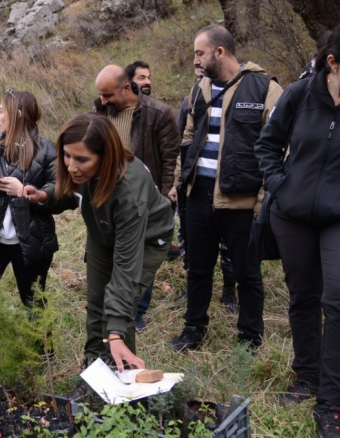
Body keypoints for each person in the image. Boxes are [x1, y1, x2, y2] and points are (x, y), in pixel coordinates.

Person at [24, 113, 173, 369]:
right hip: (102, 232)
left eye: (82, 159)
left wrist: (114, 333)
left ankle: (121, 373)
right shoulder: (82, 171)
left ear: (105, 156)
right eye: (67, 156)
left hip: (146, 239)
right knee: (97, 301)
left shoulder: (129, 191)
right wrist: (44, 196)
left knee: (121, 306)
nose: (71, 167)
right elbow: (72, 194)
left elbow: (125, 268)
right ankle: (95, 367)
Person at [169, 24, 282, 352]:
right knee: (198, 270)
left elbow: (280, 148)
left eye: (199, 53)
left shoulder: (265, 89)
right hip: (198, 199)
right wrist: (180, 182)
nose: (195, 60)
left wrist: (263, 198)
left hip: (242, 204)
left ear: (220, 52)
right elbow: (188, 138)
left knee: (248, 274)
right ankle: (193, 331)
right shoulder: (198, 90)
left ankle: (249, 339)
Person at [254, 25, 340, 435]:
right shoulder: (299, 94)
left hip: (337, 217)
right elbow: (266, 144)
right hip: (291, 214)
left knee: (336, 299)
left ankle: (332, 400)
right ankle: (307, 376)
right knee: (303, 296)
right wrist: (280, 186)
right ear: (333, 62)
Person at [94, 64, 180, 332]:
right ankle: (113, 307)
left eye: (108, 95)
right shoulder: (101, 111)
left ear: (126, 88)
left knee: (141, 256)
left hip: (146, 200)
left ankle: (136, 311)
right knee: (116, 252)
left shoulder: (158, 113)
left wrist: (165, 199)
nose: (102, 100)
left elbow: (171, 156)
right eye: (101, 95)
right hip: (110, 197)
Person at [0, 90, 58, 312]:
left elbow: (62, 194)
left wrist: (26, 192)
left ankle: (39, 339)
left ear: (17, 114)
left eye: (1, 112)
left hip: (32, 243)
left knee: (34, 309)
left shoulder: (47, 151)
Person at [172, 65, 237, 314]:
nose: (199, 70)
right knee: (189, 242)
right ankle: (194, 290)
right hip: (194, 187)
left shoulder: (233, 96)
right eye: (196, 65)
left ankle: (230, 289)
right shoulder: (191, 99)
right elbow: (183, 140)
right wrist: (178, 181)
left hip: (226, 185)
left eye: (203, 64)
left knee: (229, 247)